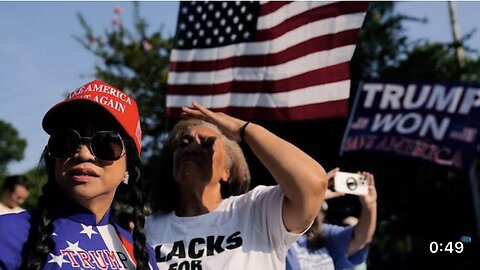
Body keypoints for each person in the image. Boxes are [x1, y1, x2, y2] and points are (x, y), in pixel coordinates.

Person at [146, 102, 328, 270]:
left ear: (227, 171)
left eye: (207, 143)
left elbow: (313, 184)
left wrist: (244, 129)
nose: (191, 147)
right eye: (183, 143)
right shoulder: (148, 229)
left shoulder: (257, 210)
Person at [0, 80, 158, 270]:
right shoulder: (7, 233)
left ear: (129, 167)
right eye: (66, 141)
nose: (83, 154)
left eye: (106, 144)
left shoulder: (142, 254)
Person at [285, 168, 377, 270]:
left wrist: (370, 206)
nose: (317, 210)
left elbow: (359, 240)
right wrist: (312, 196)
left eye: (320, 206)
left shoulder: (323, 233)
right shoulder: (276, 230)